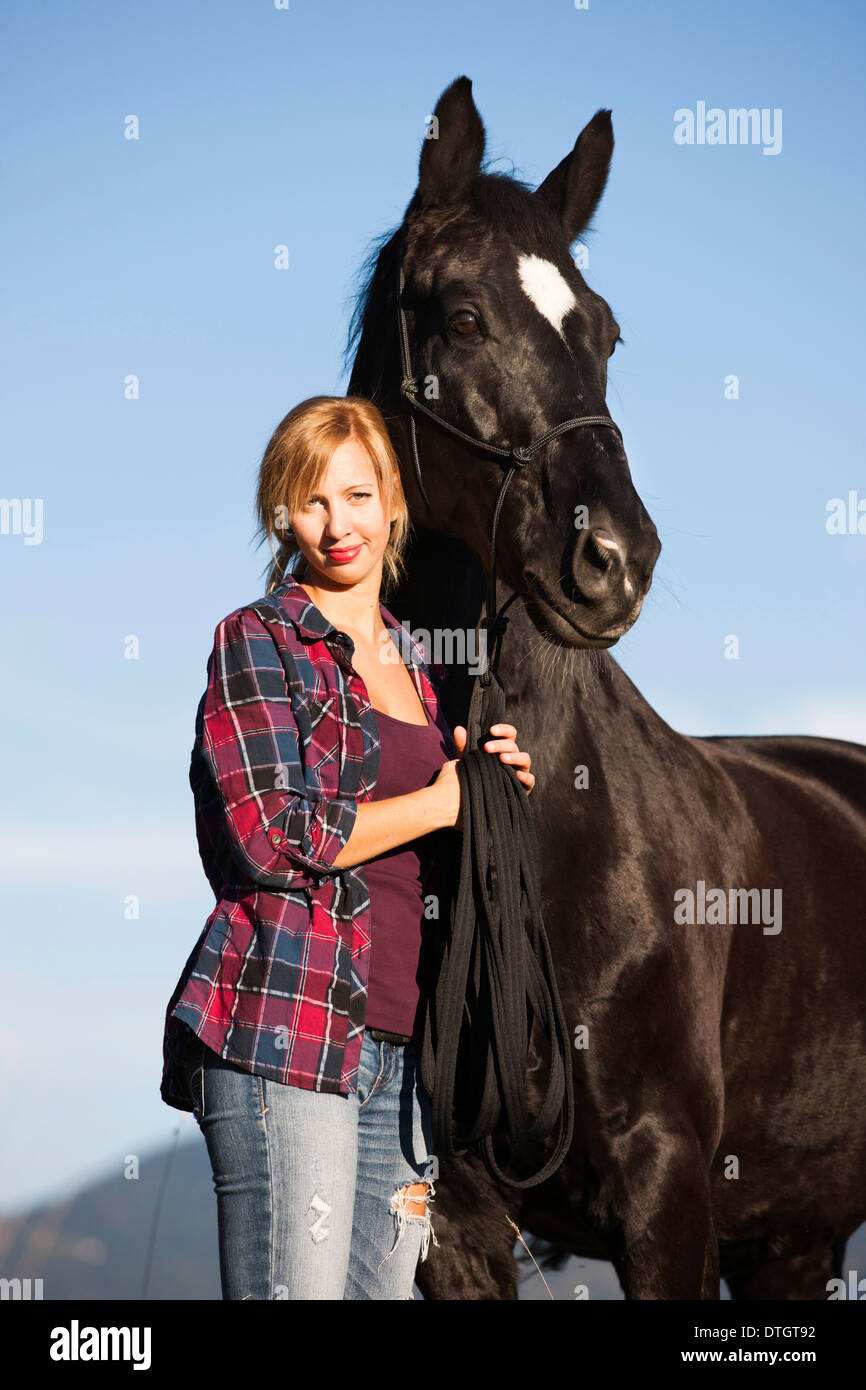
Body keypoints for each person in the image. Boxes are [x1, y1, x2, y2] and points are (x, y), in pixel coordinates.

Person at [159, 395, 535, 1300]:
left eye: (358, 496)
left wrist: (488, 796)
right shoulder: (257, 641)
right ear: (281, 515)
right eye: (312, 502)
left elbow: (436, 854)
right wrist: (440, 802)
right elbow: (269, 834)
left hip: (408, 1052)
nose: (339, 525)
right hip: (288, 1032)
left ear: (393, 503)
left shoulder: (423, 667)